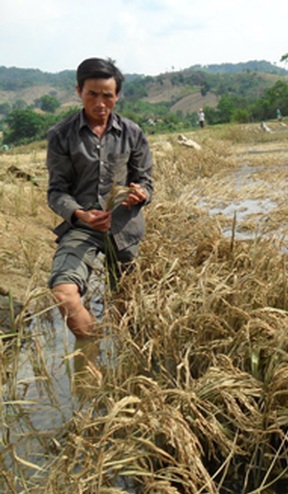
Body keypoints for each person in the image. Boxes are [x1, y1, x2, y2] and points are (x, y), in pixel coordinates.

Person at [46, 58, 153, 347]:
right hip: (83, 227)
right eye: (92, 94)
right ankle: (92, 350)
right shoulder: (61, 135)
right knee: (64, 293)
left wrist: (140, 194)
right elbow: (56, 192)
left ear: (117, 95)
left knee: (128, 311)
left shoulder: (132, 133)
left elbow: (146, 181)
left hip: (124, 229)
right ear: (79, 91)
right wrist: (81, 214)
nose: (100, 103)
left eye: (107, 95)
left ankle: (124, 368)